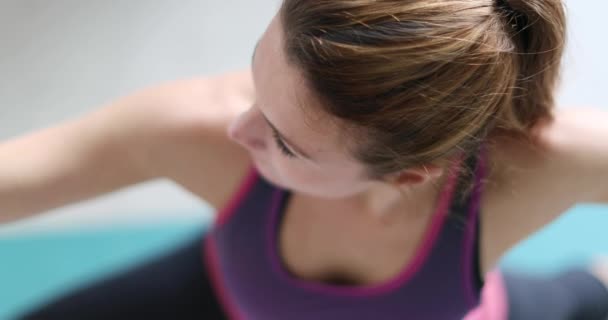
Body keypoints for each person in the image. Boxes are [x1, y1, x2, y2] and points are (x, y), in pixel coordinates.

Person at [1, 0, 607, 319]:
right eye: (256, 80)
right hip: (226, 295)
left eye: (288, 142)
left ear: (408, 173)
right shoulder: (197, 128)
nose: (238, 127)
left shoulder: (533, 167)